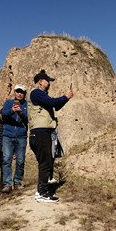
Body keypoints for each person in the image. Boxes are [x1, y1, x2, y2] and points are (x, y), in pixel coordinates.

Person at [28, 70, 73, 202]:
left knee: (45, 163)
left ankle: (42, 191)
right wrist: (65, 96)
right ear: (40, 81)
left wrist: (67, 98)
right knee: (45, 163)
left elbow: (56, 107)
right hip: (41, 133)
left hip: (42, 133)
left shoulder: (41, 96)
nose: (50, 84)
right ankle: (41, 193)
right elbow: (53, 102)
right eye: (48, 81)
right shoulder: (36, 92)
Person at [0, 84, 28, 193]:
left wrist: (21, 112)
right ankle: (7, 184)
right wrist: (11, 110)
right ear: (14, 92)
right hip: (7, 135)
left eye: (22, 92)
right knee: (7, 159)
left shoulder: (27, 105)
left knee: (20, 161)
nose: (19, 94)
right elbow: (3, 113)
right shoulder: (8, 103)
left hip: (21, 136)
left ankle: (17, 183)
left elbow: (28, 117)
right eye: (17, 91)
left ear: (24, 94)